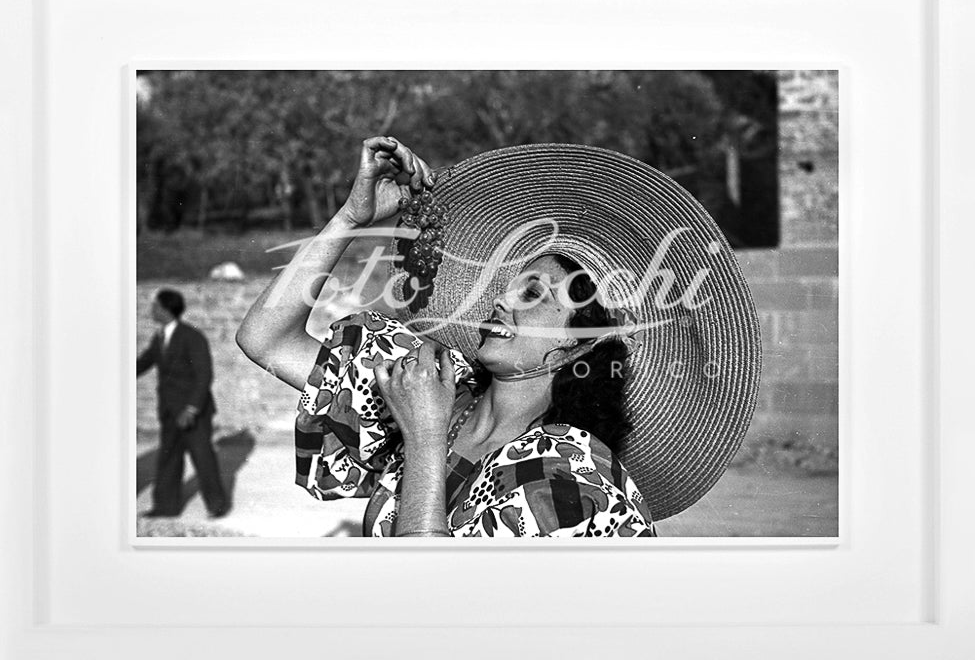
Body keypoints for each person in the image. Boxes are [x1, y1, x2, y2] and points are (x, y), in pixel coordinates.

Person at [237, 137, 761, 537]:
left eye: (534, 294)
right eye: (509, 287)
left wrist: (422, 439)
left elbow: (435, 610)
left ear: (579, 344)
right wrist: (354, 218)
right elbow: (267, 339)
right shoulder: (440, 387)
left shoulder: (567, 471)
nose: (502, 300)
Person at [137, 288, 230, 518]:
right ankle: (166, 508)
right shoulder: (159, 337)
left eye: (155, 306)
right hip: (169, 411)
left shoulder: (192, 336)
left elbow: (204, 374)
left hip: (193, 412)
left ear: (166, 309)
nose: (151, 310)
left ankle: (217, 506)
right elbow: (143, 362)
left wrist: (191, 408)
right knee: (169, 458)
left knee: (202, 457)